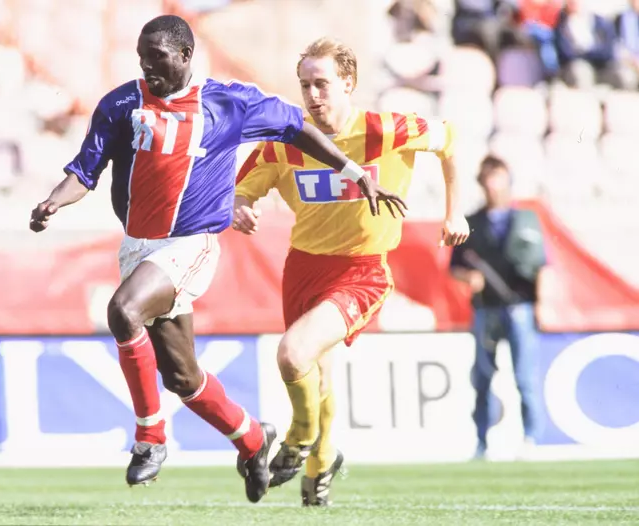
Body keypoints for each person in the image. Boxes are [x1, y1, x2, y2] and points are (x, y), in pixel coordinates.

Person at [28, 16, 406, 504]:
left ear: (185, 55)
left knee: (122, 311)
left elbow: (297, 128)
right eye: (142, 57)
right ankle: (251, 439)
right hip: (139, 246)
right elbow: (85, 171)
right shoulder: (122, 103)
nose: (147, 65)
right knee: (182, 376)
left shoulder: (228, 102)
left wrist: (355, 171)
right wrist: (55, 201)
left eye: (158, 57)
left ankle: (150, 437)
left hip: (191, 244)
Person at [233, 37, 469, 506]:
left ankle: (298, 440)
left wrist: (454, 212)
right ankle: (323, 463)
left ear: (349, 83)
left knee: (291, 354)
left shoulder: (387, 130)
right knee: (316, 374)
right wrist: (240, 207)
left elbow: (450, 139)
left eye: (322, 84)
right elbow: (244, 189)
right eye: (305, 86)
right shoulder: (287, 141)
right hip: (303, 267)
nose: (313, 95)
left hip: (363, 270)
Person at [449, 155, 548, 460]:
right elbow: (453, 266)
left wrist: (541, 305)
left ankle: (531, 439)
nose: (494, 187)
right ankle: (481, 443)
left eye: (499, 179)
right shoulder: (471, 223)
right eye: (489, 180)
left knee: (524, 377)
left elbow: (543, 266)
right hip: (485, 308)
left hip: (520, 306)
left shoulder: (527, 219)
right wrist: (469, 276)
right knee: (482, 377)